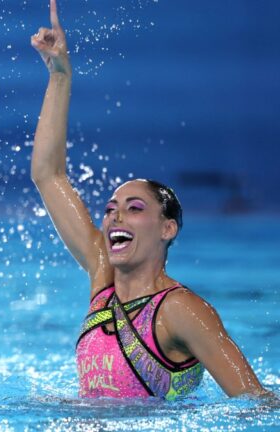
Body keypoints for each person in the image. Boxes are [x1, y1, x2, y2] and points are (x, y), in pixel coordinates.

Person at [29, 0, 268, 399]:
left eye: (134, 209)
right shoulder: (102, 278)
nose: (114, 217)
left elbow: (254, 401)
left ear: (167, 227)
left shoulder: (181, 310)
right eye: (110, 210)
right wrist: (59, 74)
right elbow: (48, 176)